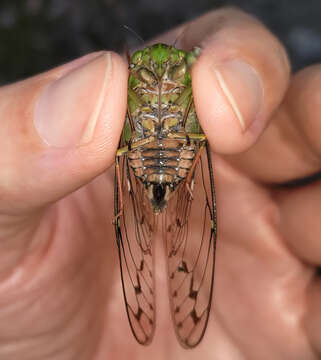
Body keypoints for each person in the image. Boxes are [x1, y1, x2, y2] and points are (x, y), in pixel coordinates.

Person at [0, 7, 320, 359]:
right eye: (145, 72)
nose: (160, 78)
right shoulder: (135, 85)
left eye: (175, 71)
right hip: (147, 159)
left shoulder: (181, 84)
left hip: (171, 157)